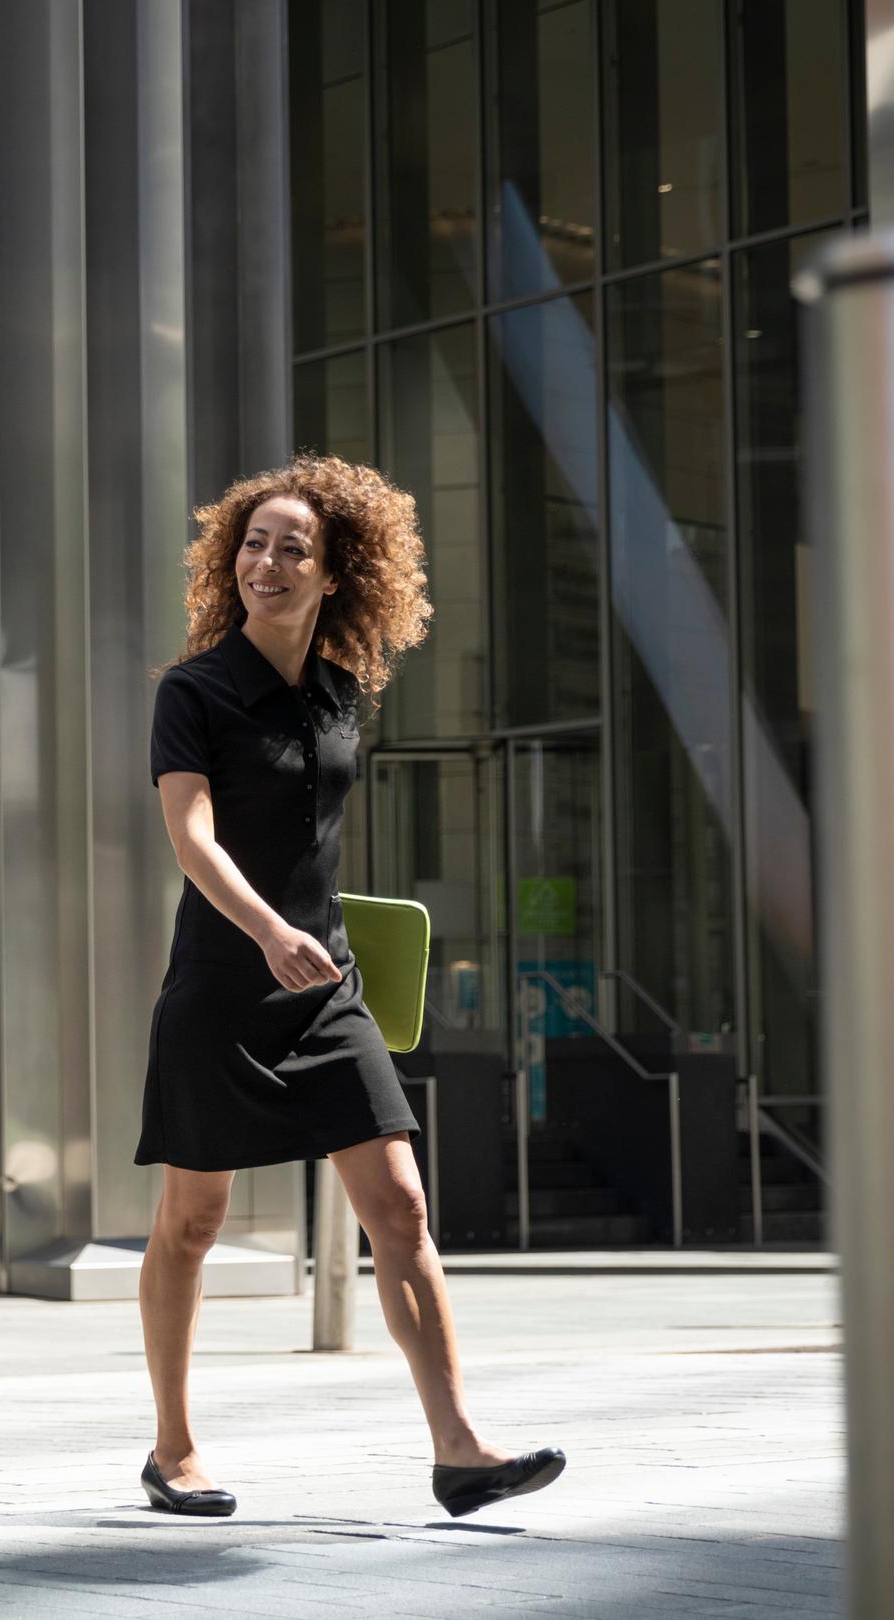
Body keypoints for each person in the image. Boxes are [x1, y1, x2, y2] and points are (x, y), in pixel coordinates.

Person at [136, 456, 565, 1521]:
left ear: (338, 576)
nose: (267, 564)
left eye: (294, 549)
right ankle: (172, 1449)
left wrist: (309, 936)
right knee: (193, 1220)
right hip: (224, 984)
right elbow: (192, 837)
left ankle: (459, 1449)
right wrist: (270, 929)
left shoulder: (336, 693)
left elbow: (309, 840)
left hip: (324, 987)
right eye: (253, 544)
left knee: (401, 1203)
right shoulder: (193, 692)